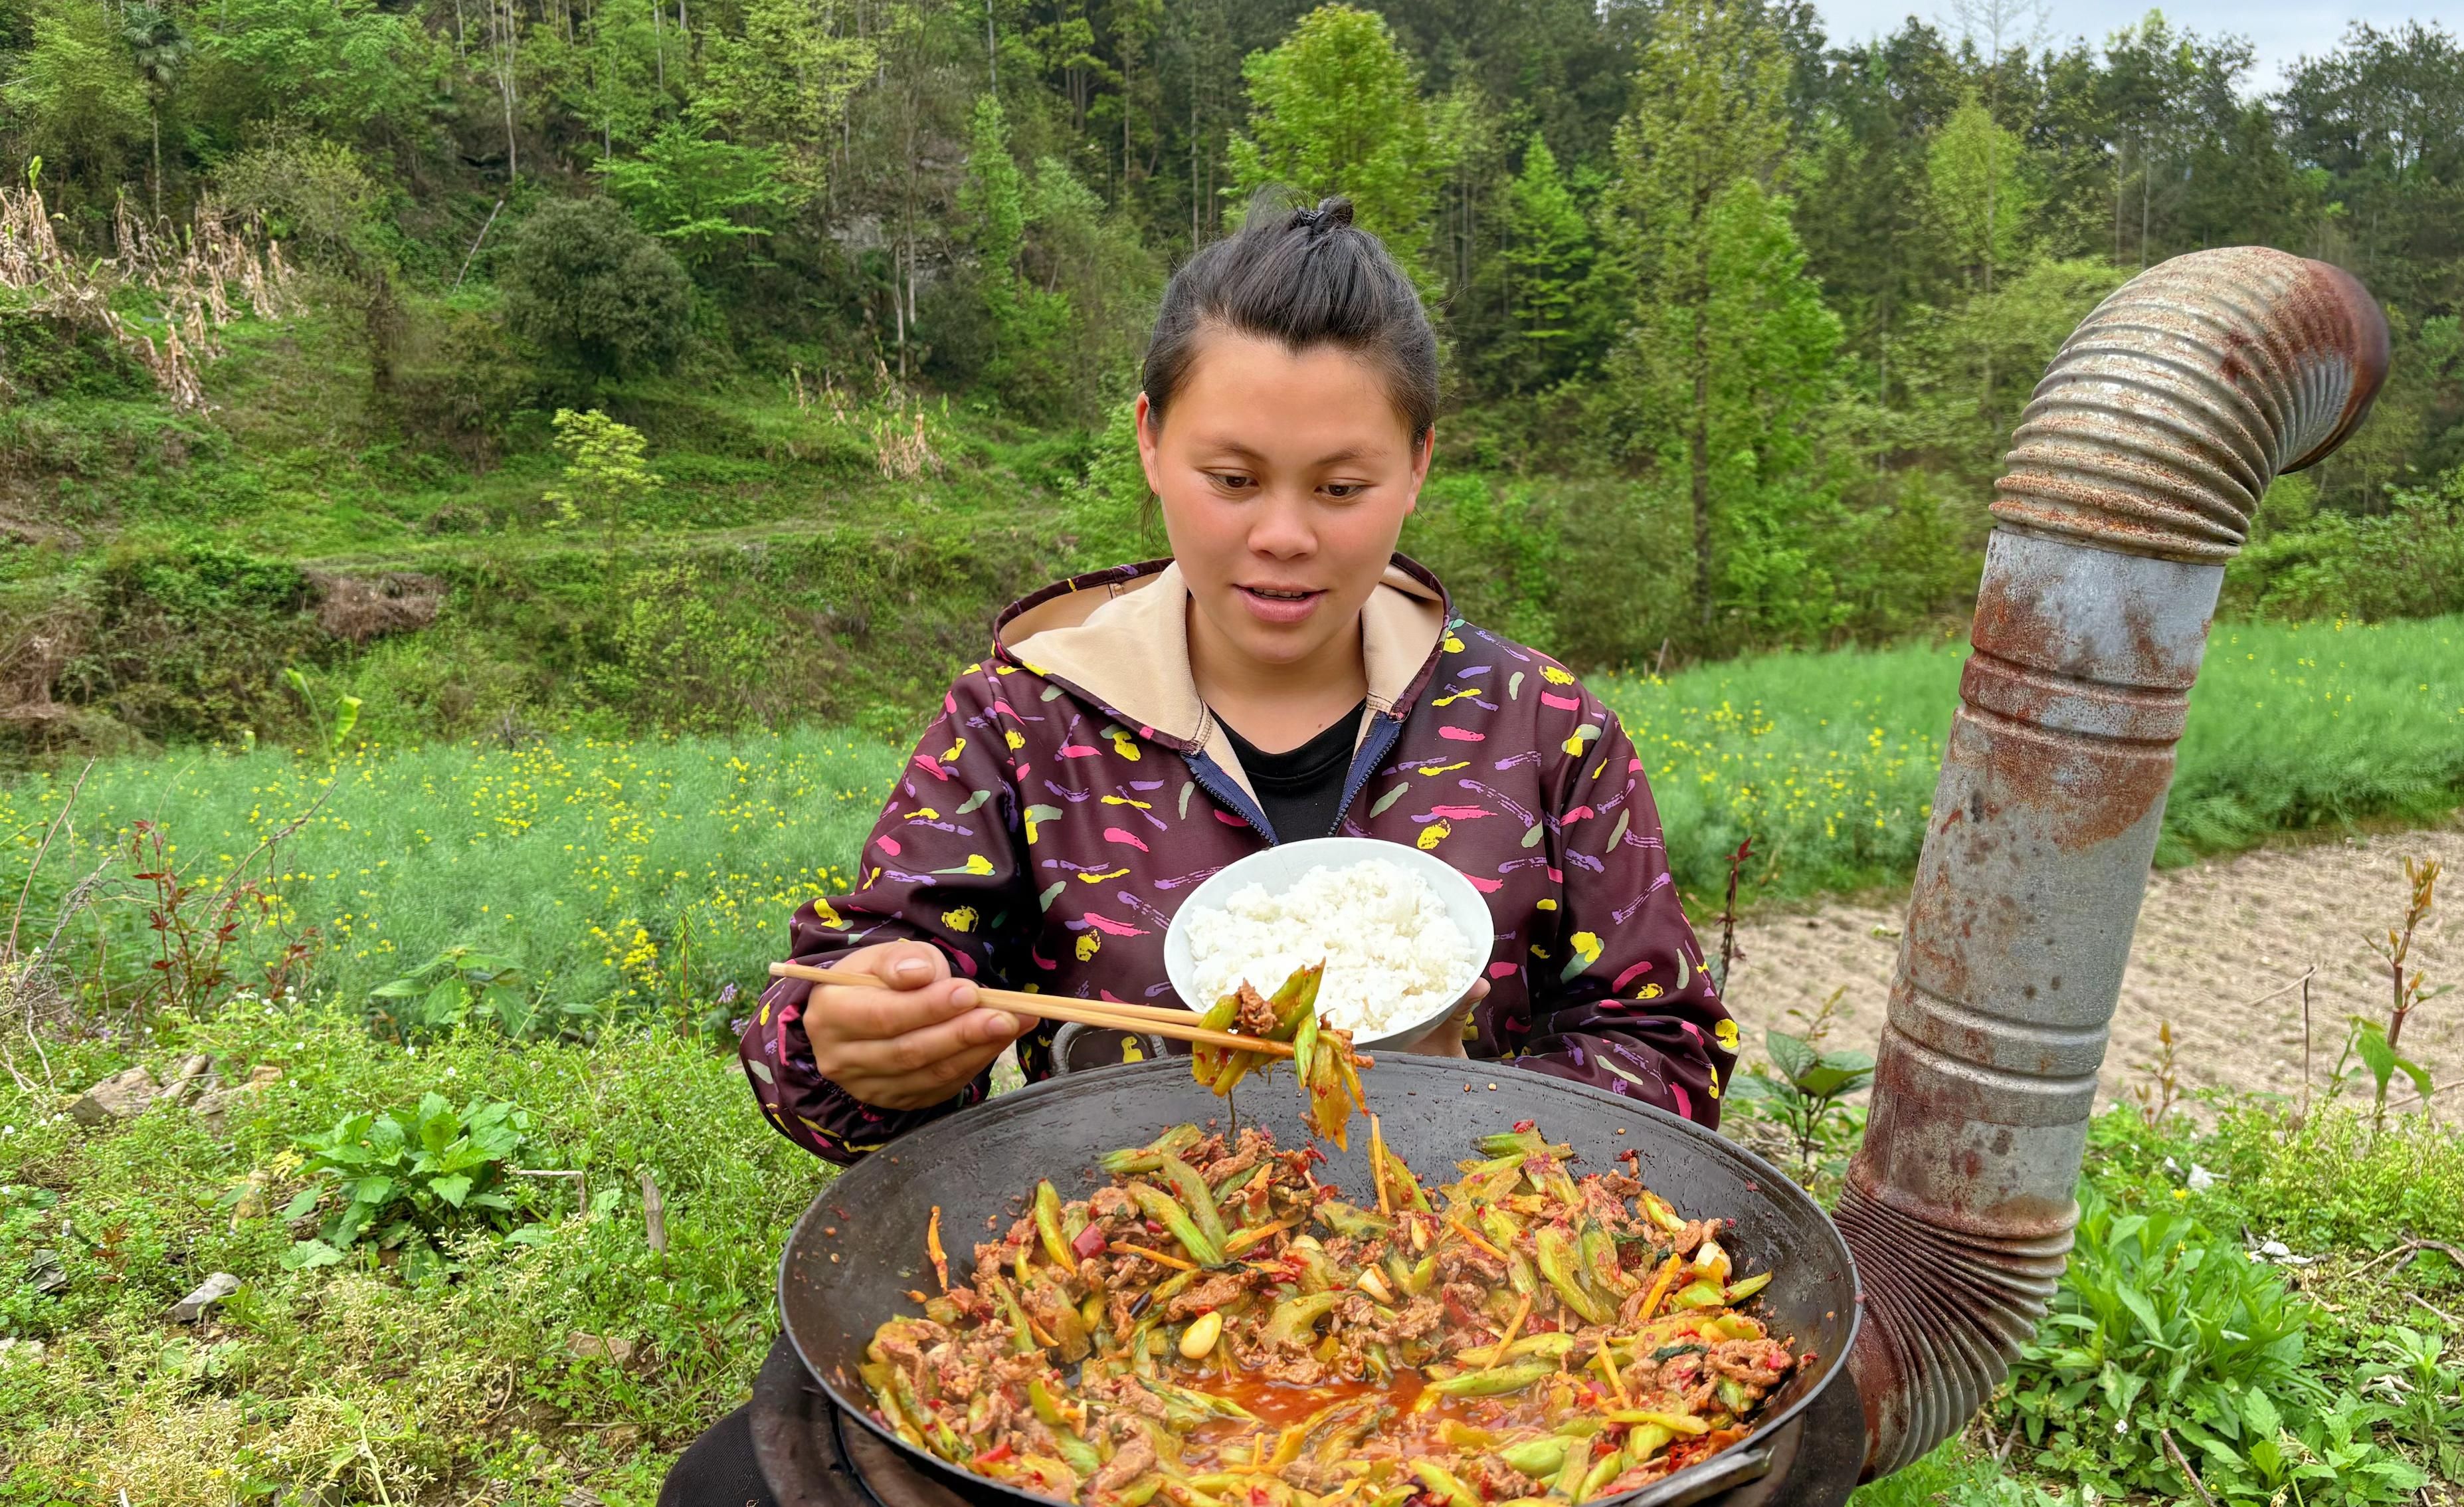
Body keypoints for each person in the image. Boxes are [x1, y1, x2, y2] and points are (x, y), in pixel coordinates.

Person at [658, 197, 1737, 1504]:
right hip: (1104, 1292)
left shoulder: (1540, 728)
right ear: (1152, 443)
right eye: (1234, 480)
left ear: (1420, 466)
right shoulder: (1024, 720)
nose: (1285, 533)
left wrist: (1461, 1153)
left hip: (1474, 1315)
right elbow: (833, 1014)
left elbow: (1668, 1043)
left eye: (1343, 488)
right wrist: (857, 1051)